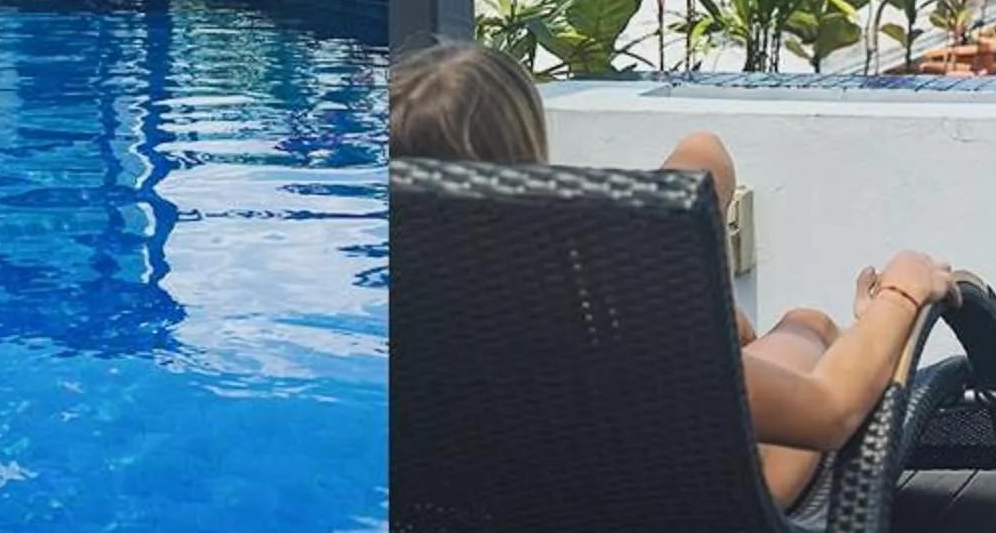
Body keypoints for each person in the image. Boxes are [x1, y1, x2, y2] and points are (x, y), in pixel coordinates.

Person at [388, 40, 957, 507]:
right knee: (808, 324)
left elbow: (702, 152)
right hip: (696, 505)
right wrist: (902, 292)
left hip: (516, 509)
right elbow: (829, 413)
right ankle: (867, 335)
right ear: (529, 152)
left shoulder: (401, 319)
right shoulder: (596, 309)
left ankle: (834, 333)